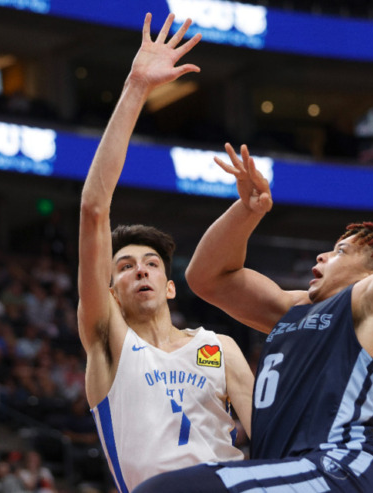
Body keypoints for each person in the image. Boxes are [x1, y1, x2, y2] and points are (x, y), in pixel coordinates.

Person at [135, 22, 373, 493]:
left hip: (336, 469)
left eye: (341, 250)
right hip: (287, 473)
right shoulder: (291, 312)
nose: (321, 255)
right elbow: (207, 278)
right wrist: (246, 212)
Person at [77, 12, 254, 491]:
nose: (142, 272)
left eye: (152, 264)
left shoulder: (218, 349)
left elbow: (271, 443)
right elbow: (95, 208)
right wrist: (137, 87)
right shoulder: (109, 342)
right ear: (109, 292)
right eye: (126, 266)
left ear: (170, 285)